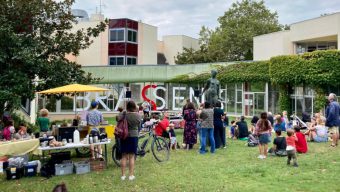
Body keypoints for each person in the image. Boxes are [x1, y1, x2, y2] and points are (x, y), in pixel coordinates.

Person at [119, 100, 141, 181]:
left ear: (127, 107)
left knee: (124, 156)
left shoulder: (124, 115)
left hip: (124, 136)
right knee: (132, 156)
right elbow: (140, 126)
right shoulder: (138, 116)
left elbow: (117, 118)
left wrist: (124, 111)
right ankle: (131, 175)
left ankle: (123, 175)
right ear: (134, 107)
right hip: (134, 136)